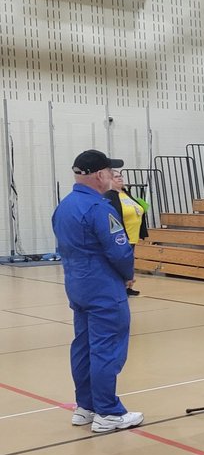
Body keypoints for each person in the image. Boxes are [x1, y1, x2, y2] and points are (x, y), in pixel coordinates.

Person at [52, 150, 142, 433]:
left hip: (77, 284)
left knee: (84, 345)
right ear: (100, 175)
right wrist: (128, 276)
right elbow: (118, 249)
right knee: (107, 348)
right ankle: (108, 412)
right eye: (109, 172)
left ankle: (85, 406)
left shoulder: (64, 206)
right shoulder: (100, 208)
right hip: (103, 286)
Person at [104, 168, 147, 296]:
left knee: (130, 261)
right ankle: (119, 287)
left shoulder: (126, 193)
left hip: (133, 234)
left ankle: (128, 286)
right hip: (123, 235)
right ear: (109, 180)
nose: (120, 178)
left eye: (121, 176)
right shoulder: (109, 195)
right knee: (121, 261)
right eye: (116, 176)